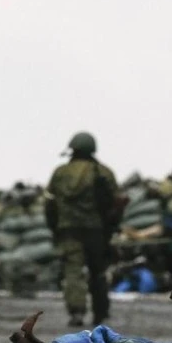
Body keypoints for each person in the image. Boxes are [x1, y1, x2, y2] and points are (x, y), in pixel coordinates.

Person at [44, 132, 118, 327]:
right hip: (96, 230)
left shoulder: (60, 173)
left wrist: (54, 227)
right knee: (98, 270)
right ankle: (100, 313)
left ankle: (76, 312)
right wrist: (112, 228)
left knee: (73, 270)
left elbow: (49, 204)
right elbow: (115, 204)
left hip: (68, 230)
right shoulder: (103, 172)